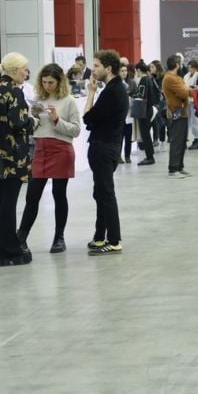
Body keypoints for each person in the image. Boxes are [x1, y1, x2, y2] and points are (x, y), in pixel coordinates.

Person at [0, 52, 35, 266]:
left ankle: (0, 248)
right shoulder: (14, 92)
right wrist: (33, 121)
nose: (26, 72)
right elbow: (18, 122)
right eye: (24, 69)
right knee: (9, 201)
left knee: (2, 198)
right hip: (13, 155)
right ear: (14, 70)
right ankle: (10, 250)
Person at [19, 63, 81, 254]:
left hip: (61, 149)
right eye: (44, 82)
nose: (47, 86)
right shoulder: (37, 99)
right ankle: (21, 237)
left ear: (59, 81)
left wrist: (56, 119)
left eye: (51, 82)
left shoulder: (69, 100)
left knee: (58, 194)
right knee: (32, 196)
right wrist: (33, 119)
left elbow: (76, 130)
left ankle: (59, 238)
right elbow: (33, 128)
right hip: (41, 149)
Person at [83, 50, 129, 255]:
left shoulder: (112, 91)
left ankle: (114, 239)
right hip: (107, 145)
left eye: (96, 66)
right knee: (100, 192)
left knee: (106, 193)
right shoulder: (114, 88)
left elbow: (88, 118)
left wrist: (91, 93)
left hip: (104, 147)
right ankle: (100, 236)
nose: (93, 70)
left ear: (108, 68)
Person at [162, 55, 191, 178]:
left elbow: (185, 90)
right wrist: (188, 89)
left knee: (182, 140)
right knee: (177, 141)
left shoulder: (175, 77)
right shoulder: (171, 78)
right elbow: (184, 92)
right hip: (177, 111)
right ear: (178, 65)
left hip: (182, 111)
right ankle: (173, 169)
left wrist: (186, 89)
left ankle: (179, 166)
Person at [132, 61, 158, 166]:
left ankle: (149, 157)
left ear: (138, 70)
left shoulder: (143, 80)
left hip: (144, 110)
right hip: (148, 109)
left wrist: (130, 93)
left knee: (145, 134)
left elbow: (141, 94)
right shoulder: (149, 79)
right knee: (146, 134)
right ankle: (150, 155)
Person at [118, 64, 134, 164]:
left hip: (129, 114)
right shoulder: (116, 84)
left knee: (128, 137)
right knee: (120, 138)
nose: (124, 73)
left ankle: (127, 156)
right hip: (120, 115)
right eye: (122, 71)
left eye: (125, 70)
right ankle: (118, 156)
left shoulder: (131, 83)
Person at [184, 59, 198, 150]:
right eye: (189, 67)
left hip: (194, 101)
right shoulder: (186, 75)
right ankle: (185, 139)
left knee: (195, 120)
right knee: (186, 120)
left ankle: (196, 139)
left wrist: (191, 88)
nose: (189, 69)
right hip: (187, 100)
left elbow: (196, 88)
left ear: (195, 68)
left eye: (191, 67)